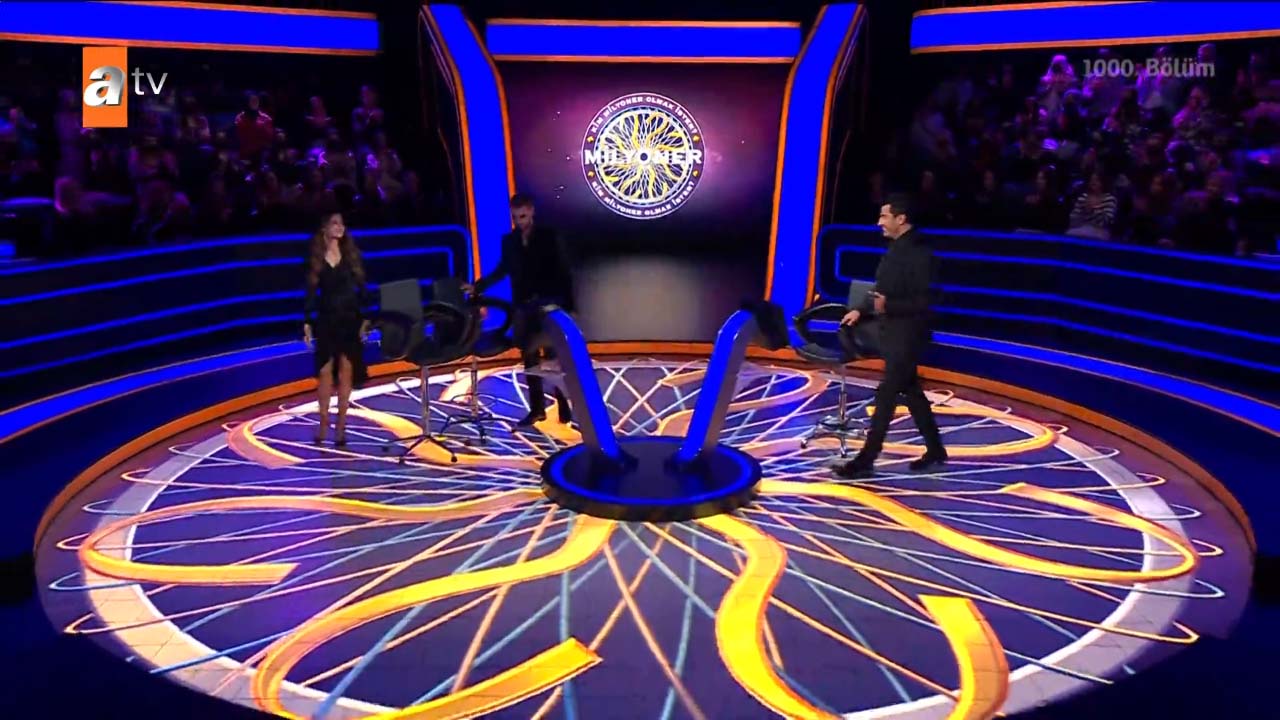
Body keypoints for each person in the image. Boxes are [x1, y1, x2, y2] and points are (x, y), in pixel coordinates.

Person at [834, 194, 947, 479]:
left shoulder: (922, 253)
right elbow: (880, 289)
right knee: (911, 391)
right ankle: (936, 450)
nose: (879, 222)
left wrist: (890, 306)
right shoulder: (895, 248)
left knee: (886, 394)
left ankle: (866, 459)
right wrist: (861, 309)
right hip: (892, 330)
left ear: (901, 218)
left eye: (884, 216)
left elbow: (928, 301)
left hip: (909, 334)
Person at [464, 194, 575, 427]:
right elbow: (502, 270)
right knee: (530, 359)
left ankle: (564, 406)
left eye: (522, 216)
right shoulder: (509, 241)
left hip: (548, 305)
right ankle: (537, 409)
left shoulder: (548, 236)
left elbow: (563, 270)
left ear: (532, 212)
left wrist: (567, 305)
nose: (519, 221)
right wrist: (478, 287)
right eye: (515, 217)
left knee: (553, 358)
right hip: (524, 307)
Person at [303, 212, 370, 446]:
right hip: (326, 319)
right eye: (334, 223)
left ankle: (341, 426)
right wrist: (307, 321)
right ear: (324, 228)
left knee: (346, 372)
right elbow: (311, 291)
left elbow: (363, 289)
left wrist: (366, 319)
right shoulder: (316, 257)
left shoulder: (351, 255)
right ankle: (323, 423)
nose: (340, 227)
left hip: (350, 318)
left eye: (342, 223)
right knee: (324, 372)